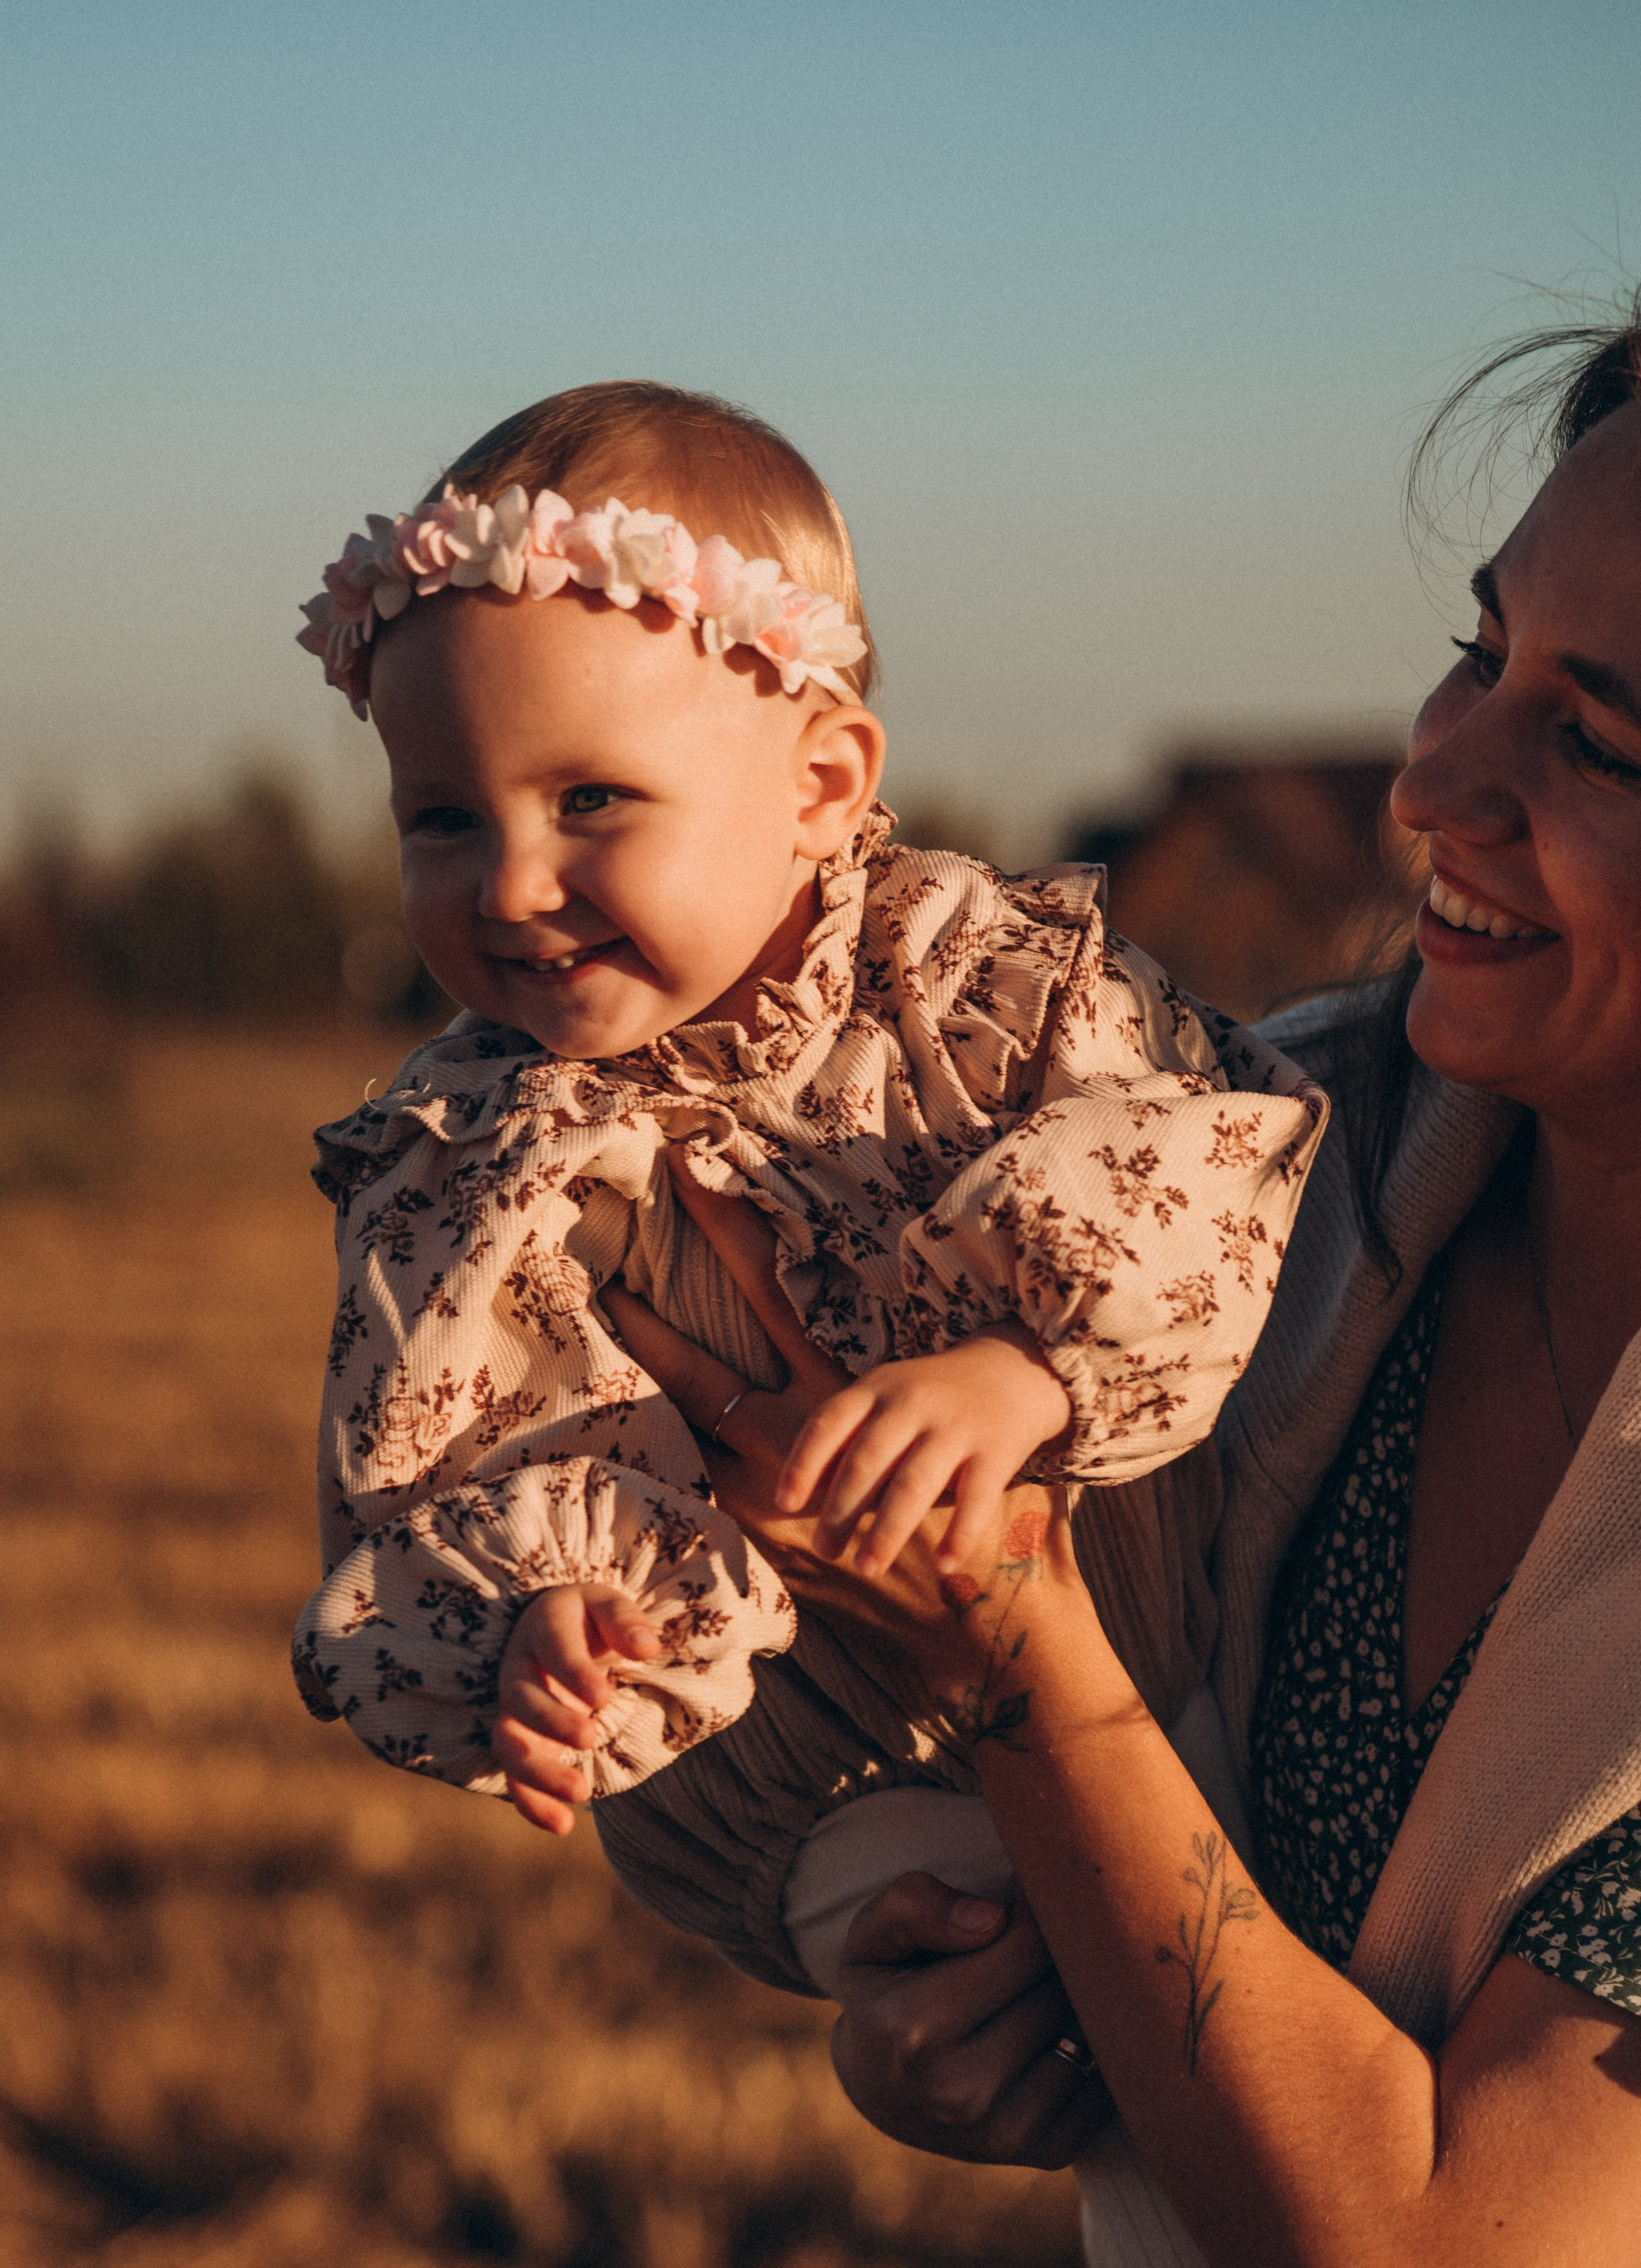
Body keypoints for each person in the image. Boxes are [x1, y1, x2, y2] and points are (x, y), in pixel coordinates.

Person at [589, 304, 1641, 2268]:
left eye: (1600, 738)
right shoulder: (1222, 1176)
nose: (1436, 781)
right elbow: (862, 1751)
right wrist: (945, 1980)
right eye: (1478, 657)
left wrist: (1035, 1653)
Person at [289, 383, 1325, 1900]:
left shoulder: (972, 988)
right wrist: (554, 1618)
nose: (508, 888)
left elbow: (1190, 1171)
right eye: (441, 820)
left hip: (1174, 1662)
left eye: (589, 800)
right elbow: (455, 1459)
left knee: (1224, 1925)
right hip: (807, 1775)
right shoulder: (465, 1162)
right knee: (924, 1933)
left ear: (820, 787)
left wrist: (1019, 1370)